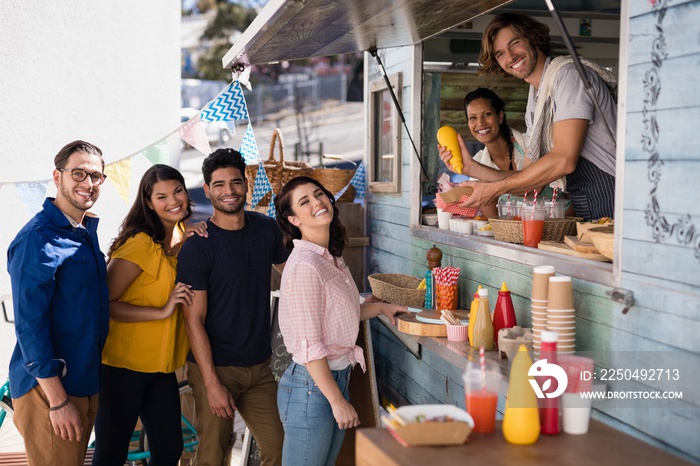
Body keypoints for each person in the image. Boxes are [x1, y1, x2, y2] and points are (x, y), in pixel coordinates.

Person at [274, 176, 407, 466]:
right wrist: (336, 400)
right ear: (294, 219)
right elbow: (310, 346)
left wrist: (382, 308)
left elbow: (339, 318)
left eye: (319, 194)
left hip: (332, 381)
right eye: (304, 201)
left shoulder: (330, 257)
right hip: (313, 388)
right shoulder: (306, 266)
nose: (317, 202)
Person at [441, 13, 617, 220]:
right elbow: (528, 181)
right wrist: (472, 167)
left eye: (514, 43)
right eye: (500, 54)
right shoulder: (537, 98)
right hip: (585, 199)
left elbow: (564, 160)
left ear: (533, 38)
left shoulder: (568, 76)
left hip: (611, 193)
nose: (510, 57)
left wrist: (495, 189)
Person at [177, 148, 290, 466]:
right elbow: (193, 320)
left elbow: (298, 275)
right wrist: (212, 384)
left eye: (236, 182)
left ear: (246, 185)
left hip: (258, 366)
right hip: (216, 367)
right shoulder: (199, 246)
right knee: (214, 454)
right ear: (208, 189)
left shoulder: (266, 229)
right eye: (219, 184)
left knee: (279, 448)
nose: (229, 190)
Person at [92, 165, 206, 465]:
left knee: (170, 449)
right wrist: (162, 310)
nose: (173, 200)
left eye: (178, 190)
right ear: (149, 202)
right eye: (162, 196)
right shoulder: (139, 244)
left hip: (160, 368)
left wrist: (185, 243)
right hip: (123, 367)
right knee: (111, 454)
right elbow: (104, 302)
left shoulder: (178, 237)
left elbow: (166, 269)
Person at [7, 140, 109, 466]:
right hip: (51, 391)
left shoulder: (82, 231)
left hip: (84, 381)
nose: (88, 183)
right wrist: (57, 401)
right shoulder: (37, 238)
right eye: (78, 173)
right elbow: (29, 324)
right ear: (57, 176)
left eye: (96, 176)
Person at [439, 87, 529, 218]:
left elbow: (532, 183)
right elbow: (492, 221)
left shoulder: (529, 144)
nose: (480, 123)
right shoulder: (478, 161)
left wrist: (474, 169)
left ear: (500, 116)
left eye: (487, 114)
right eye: (473, 118)